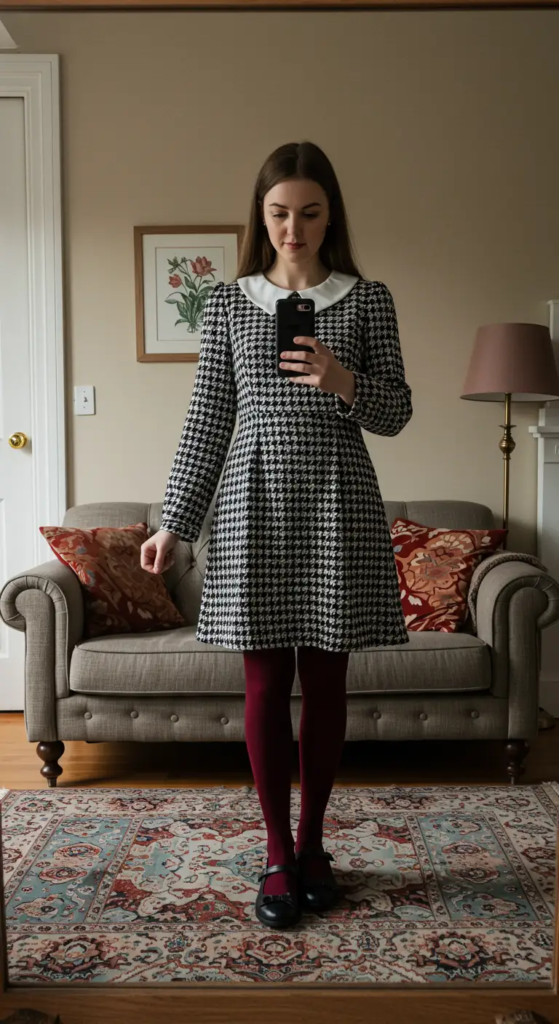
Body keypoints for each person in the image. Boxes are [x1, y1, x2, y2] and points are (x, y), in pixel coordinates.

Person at [140, 140, 413, 931]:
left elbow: (394, 411)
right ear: (261, 217)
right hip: (251, 505)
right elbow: (207, 419)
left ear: (332, 215)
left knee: (327, 687)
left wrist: (342, 380)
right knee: (263, 686)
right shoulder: (228, 304)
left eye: (310, 212)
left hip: (338, 501)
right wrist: (173, 523)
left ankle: (314, 842)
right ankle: (273, 851)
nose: (293, 228)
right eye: (279, 213)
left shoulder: (368, 300)